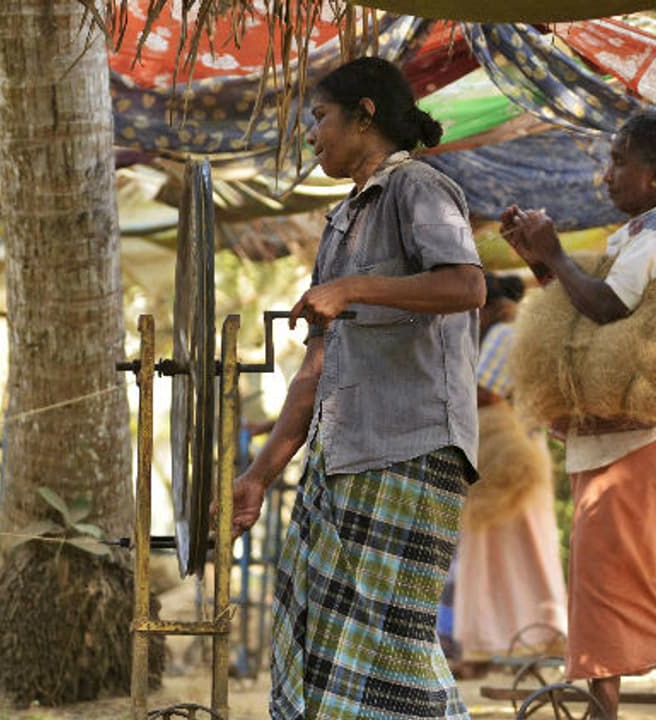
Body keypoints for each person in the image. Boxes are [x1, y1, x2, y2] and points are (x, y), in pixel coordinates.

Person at [230, 56, 485, 719]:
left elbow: (465, 285)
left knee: (394, 648)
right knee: (321, 638)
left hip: (411, 448)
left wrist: (352, 289)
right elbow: (315, 371)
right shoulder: (342, 223)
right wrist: (258, 476)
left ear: (365, 114)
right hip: (342, 457)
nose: (313, 135)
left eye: (320, 118)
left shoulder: (420, 188)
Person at [500, 111, 656, 720]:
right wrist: (540, 260)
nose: (607, 175)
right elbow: (583, 306)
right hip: (615, 441)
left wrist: (555, 253)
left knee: (647, 579)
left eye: (619, 162)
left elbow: (609, 308)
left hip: (644, 440)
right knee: (599, 578)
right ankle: (603, 705)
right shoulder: (637, 235)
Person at [450, 273, 567, 677]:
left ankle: (495, 644)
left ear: (491, 307)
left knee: (497, 550)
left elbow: (486, 392)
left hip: (506, 456)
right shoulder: (522, 332)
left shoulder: (504, 334)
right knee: (521, 549)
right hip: (519, 452)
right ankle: (515, 641)